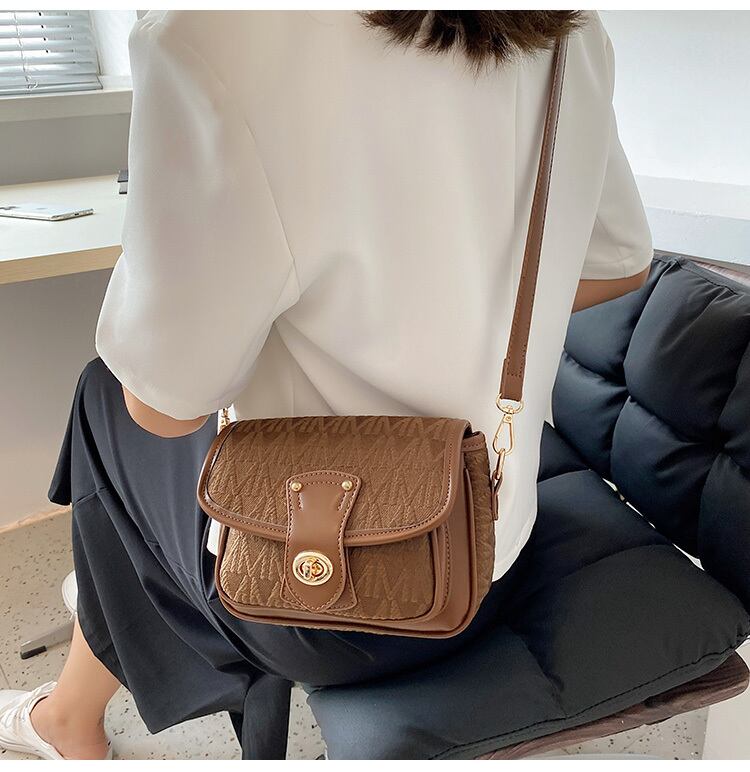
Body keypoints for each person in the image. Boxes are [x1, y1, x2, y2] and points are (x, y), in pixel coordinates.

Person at [0, 10, 652, 760]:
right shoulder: (567, 32)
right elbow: (618, 267)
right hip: (490, 553)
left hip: (325, 601)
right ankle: (104, 628)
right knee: (127, 460)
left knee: (103, 399)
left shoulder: (213, 34)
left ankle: (78, 695)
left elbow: (162, 408)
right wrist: (451, 311)